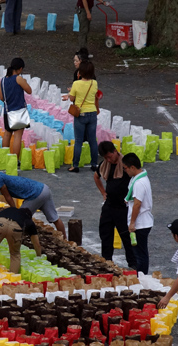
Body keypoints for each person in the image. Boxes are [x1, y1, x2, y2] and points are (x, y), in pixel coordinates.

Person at [0, 169, 67, 238]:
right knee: (55, 218)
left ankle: (26, 239)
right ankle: (65, 240)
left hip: (35, 194)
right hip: (44, 189)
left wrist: (15, 212)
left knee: (19, 220)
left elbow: (8, 197)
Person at [94, 141, 137, 269]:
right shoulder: (104, 165)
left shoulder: (125, 164)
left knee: (127, 238)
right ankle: (107, 263)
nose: (108, 159)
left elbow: (136, 179)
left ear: (115, 151)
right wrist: (103, 192)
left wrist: (131, 198)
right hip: (109, 206)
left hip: (123, 208)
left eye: (109, 156)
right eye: (105, 158)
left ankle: (134, 265)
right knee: (106, 235)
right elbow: (96, 177)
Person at [0, 207, 42, 276]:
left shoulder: (9, 210)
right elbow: (36, 243)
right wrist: (39, 256)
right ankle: (12, 278)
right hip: (16, 228)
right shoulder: (28, 220)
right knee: (15, 254)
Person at [122, 153, 153, 275]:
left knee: (140, 255)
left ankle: (142, 277)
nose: (125, 171)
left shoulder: (139, 183)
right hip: (143, 221)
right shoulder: (141, 179)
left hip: (140, 223)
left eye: (125, 168)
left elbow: (137, 204)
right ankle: (142, 275)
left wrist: (132, 223)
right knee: (140, 253)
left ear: (132, 167)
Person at [68, 60, 99, 173]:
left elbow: (72, 98)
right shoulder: (94, 83)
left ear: (80, 72)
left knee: (79, 141)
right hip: (92, 113)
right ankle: (94, 164)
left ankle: (75, 165)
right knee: (92, 140)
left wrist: (72, 91)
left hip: (80, 114)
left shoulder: (76, 84)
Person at [0, 58, 32, 159]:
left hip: (7, 111)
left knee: (7, 134)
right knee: (18, 136)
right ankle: (15, 159)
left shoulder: (3, 80)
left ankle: (4, 157)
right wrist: (24, 82)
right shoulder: (18, 79)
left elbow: (1, 98)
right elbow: (29, 91)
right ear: (20, 68)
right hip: (19, 112)